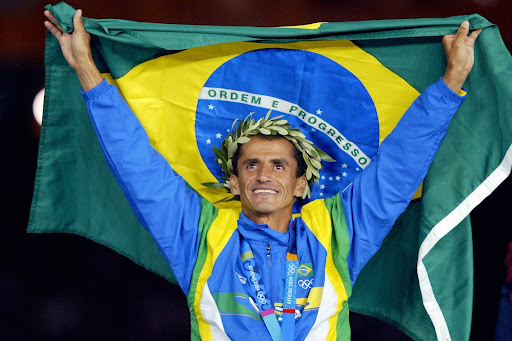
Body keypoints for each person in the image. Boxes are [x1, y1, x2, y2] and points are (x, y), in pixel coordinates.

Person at [44, 9, 481, 341]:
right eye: (250, 165)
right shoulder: (198, 235)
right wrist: (86, 68)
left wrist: (449, 83)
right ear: (233, 183)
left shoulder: (337, 232)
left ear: (300, 184)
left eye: (278, 165)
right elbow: (137, 164)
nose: (263, 175)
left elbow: (398, 170)